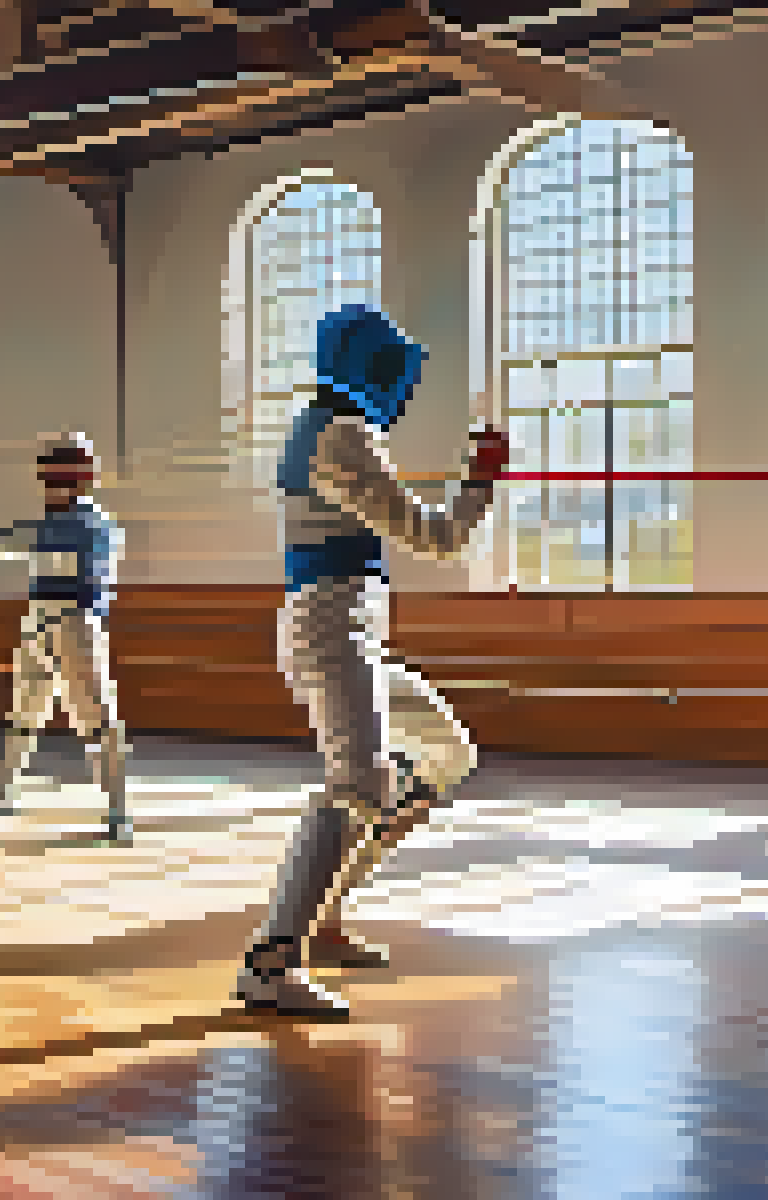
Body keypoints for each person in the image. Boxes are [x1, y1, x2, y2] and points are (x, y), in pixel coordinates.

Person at [237, 303, 509, 1019]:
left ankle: (321, 915)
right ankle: (270, 962)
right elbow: (437, 538)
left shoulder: (324, 427)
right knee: (357, 783)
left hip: (348, 628)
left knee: (445, 753)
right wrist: (479, 483)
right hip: (332, 628)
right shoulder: (342, 436)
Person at [0, 433, 130, 844]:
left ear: (77, 480)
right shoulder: (52, 522)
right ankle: (1, 796)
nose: (51, 488)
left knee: (96, 718)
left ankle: (117, 811)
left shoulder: (97, 525)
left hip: (77, 623)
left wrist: (2, 542)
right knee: (24, 712)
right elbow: (33, 545)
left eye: (59, 479)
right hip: (39, 619)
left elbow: (64, 560)